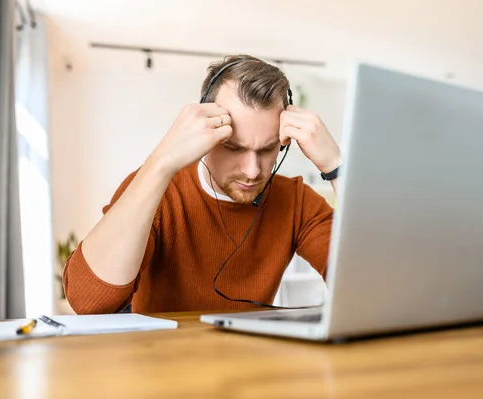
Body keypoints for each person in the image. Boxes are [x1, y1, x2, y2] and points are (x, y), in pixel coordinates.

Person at [63, 54, 342, 314]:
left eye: (267, 149)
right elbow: (88, 302)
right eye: (233, 148)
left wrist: (336, 166)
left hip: (253, 363)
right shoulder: (156, 188)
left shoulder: (297, 201)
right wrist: (162, 161)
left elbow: (372, 288)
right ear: (205, 131)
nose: (252, 171)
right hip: (160, 363)